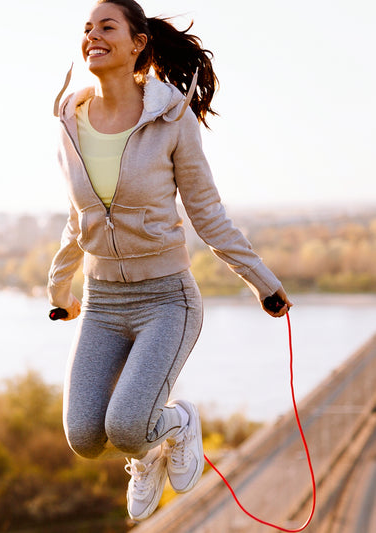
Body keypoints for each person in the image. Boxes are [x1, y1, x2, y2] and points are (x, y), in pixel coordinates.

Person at [48, 0, 292, 522]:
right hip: (103, 301)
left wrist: (263, 283)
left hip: (167, 301)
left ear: (138, 44)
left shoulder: (172, 116)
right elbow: (78, 218)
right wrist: (57, 289)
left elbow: (207, 215)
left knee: (128, 424)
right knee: (85, 437)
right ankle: (147, 452)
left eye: (106, 27)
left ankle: (176, 424)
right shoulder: (69, 120)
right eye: (86, 28)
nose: (93, 35)